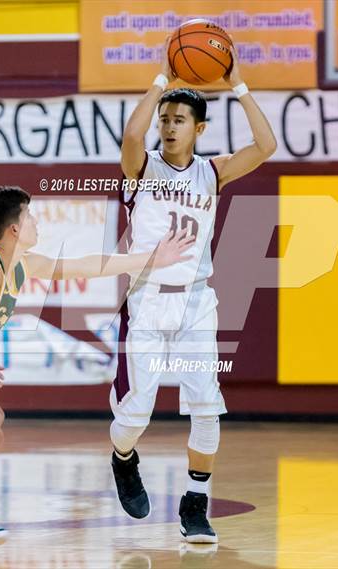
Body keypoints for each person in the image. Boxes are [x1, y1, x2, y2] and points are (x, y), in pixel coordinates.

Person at [0, 186, 194, 554]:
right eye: (29, 216)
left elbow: (83, 265)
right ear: (14, 229)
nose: (36, 222)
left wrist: (151, 260)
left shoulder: (19, 265)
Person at [109, 40, 277, 543]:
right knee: (135, 413)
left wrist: (237, 84)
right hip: (148, 298)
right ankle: (123, 457)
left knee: (206, 403)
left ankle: (195, 501)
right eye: (165, 119)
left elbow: (266, 146)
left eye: (179, 120)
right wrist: (162, 77)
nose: (168, 126)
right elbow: (132, 134)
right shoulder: (142, 168)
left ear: (199, 128)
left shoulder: (212, 171)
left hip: (197, 300)